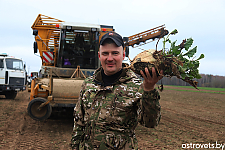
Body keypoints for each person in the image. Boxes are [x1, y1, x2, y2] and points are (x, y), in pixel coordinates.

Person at [71, 31, 163, 150]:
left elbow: (150, 123)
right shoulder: (88, 84)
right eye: (105, 53)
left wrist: (149, 90)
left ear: (123, 55)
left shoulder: (137, 86)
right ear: (99, 56)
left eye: (115, 53)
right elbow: (79, 122)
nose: (110, 58)